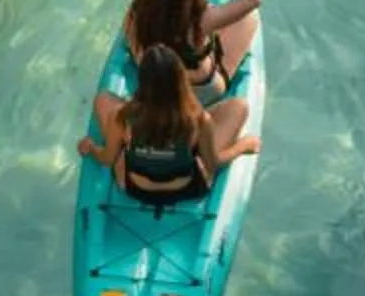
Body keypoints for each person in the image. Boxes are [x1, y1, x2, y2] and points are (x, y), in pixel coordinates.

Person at [90, 0, 261, 154]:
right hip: (202, 94)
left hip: (154, 93)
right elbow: (252, 0)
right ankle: (201, 147)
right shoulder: (202, 20)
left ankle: (138, 147)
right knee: (248, 18)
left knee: (104, 99)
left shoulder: (135, 18)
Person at [81, 44, 256, 205]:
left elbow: (108, 159)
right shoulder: (198, 119)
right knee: (239, 107)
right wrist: (242, 146)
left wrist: (91, 148)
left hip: (134, 187)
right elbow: (213, 163)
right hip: (189, 188)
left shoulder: (123, 116)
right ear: (180, 79)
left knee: (103, 100)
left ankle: (134, 147)